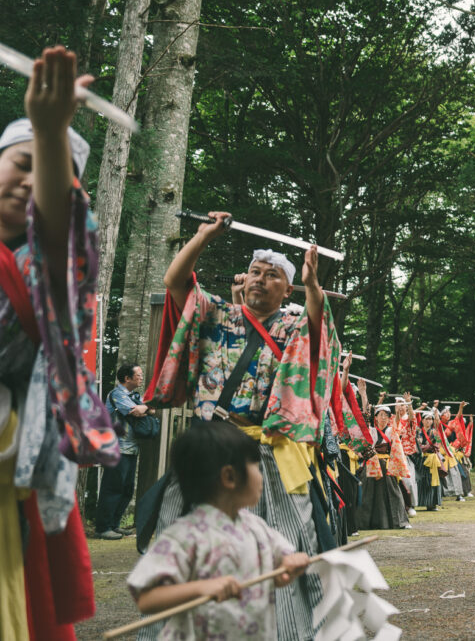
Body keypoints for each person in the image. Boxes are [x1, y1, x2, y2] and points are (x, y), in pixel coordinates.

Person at [144, 215, 342, 640]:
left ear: (286, 291)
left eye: (273, 276)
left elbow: (319, 323)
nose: (260, 280)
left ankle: (284, 632)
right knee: (186, 535)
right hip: (209, 448)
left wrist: (313, 285)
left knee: (285, 542)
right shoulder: (217, 314)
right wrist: (203, 236)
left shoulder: (293, 327)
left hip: (265, 453)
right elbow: (175, 281)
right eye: (255, 272)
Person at [0, 46, 124, 640]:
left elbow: (58, 236)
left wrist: (50, 135)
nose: (29, 181)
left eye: (44, 173)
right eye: (20, 162)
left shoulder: (43, 272)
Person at [127, 422, 310, 639]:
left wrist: (289, 565)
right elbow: (146, 598)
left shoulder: (256, 527)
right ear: (229, 477)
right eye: (255, 466)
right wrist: (200, 588)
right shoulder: (184, 536)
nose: (262, 476)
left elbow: (277, 576)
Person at [95, 364, 153, 539]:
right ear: (127, 378)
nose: (141, 377)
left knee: (127, 489)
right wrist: (145, 408)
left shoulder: (134, 396)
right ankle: (103, 528)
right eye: (138, 375)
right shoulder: (117, 394)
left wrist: (145, 408)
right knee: (112, 487)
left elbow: (150, 409)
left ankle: (114, 524)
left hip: (130, 448)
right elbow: (136, 412)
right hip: (116, 447)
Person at [357, 406, 411, 530]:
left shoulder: (391, 430)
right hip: (372, 464)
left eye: (386, 415)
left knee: (393, 492)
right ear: (375, 417)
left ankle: (398, 521)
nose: (383, 418)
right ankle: (364, 523)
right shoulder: (371, 430)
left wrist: (398, 414)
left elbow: (398, 430)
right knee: (367, 492)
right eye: (380, 415)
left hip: (387, 465)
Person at [416, 411, 444, 511]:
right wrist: (425, 447)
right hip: (421, 459)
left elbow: (438, 443)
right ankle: (419, 502)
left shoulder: (435, 432)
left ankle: (432, 504)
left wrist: (430, 446)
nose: (428, 421)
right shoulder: (418, 431)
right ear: (422, 420)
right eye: (426, 419)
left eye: (430, 419)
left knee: (433, 480)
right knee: (420, 480)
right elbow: (416, 444)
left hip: (432, 459)